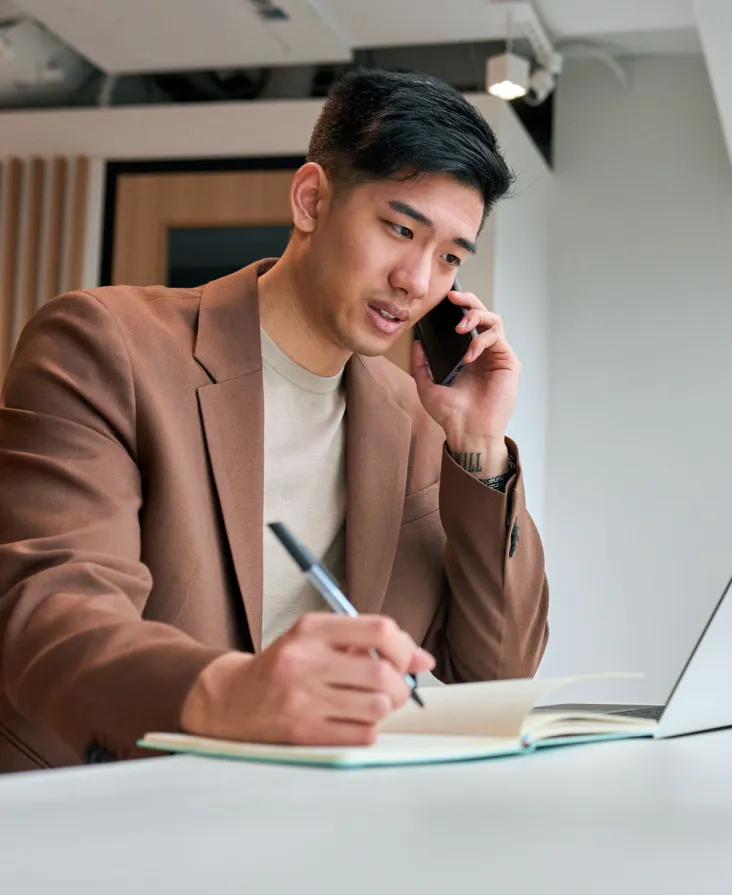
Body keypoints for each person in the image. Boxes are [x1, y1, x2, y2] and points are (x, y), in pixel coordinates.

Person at [0, 68, 549, 773]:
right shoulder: (105, 344)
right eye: (399, 228)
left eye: (448, 258)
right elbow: (49, 617)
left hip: (303, 826)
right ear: (312, 199)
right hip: (98, 813)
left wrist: (477, 445)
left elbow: (497, 676)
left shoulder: (417, 423)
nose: (417, 280)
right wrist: (234, 693)